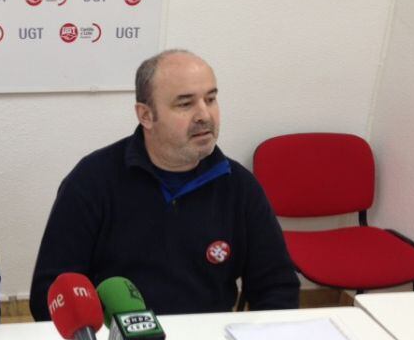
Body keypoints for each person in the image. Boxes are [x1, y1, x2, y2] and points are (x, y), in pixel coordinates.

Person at [30, 50, 299, 320]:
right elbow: (50, 294)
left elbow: (277, 287)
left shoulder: (240, 186)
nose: (204, 115)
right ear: (146, 115)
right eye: (185, 104)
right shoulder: (91, 181)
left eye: (211, 99)